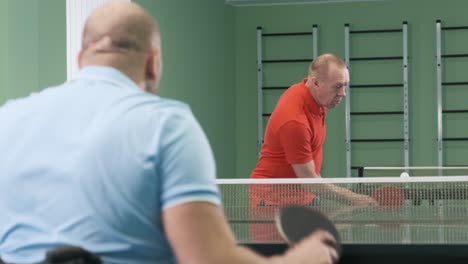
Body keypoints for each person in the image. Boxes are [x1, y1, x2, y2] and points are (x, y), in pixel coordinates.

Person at [0, 2, 338, 264]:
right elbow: (208, 259)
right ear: (152, 62)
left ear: (80, 59)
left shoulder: (7, 119)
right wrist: (295, 259)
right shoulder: (167, 126)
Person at [250, 54, 376, 209]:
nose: (343, 93)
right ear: (316, 82)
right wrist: (354, 198)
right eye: (337, 86)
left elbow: (310, 168)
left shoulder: (319, 100)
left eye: (345, 85)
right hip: (273, 201)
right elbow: (308, 179)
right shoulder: (295, 121)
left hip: (304, 195)